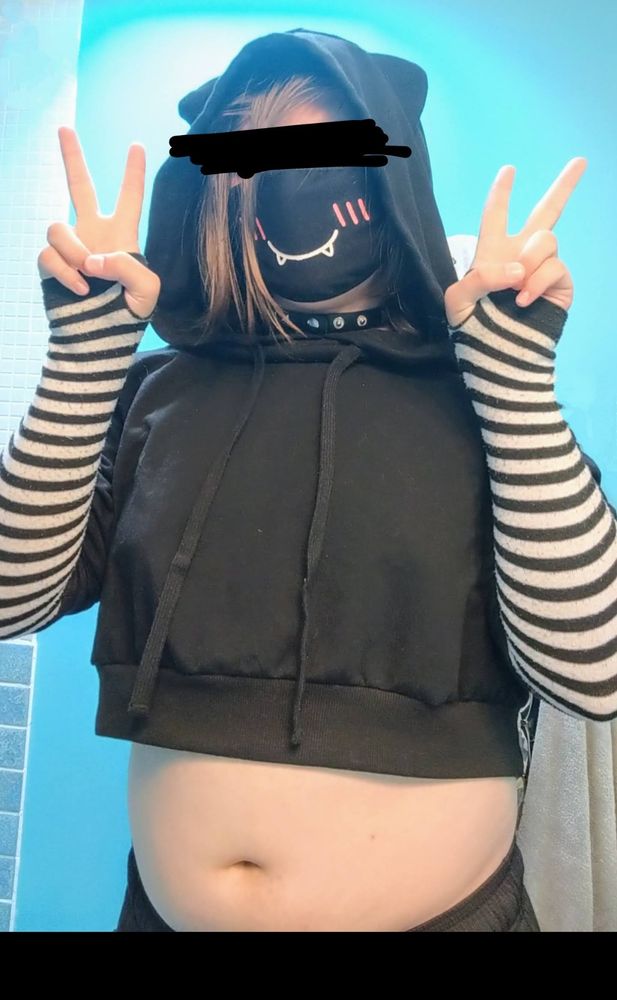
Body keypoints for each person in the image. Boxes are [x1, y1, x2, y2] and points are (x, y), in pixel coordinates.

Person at [4, 27, 616, 932]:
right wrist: (82, 359)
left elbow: (592, 671)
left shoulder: (478, 398)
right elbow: (11, 600)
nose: (288, 192)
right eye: (251, 167)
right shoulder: (158, 395)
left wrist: (514, 382)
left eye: (324, 157)